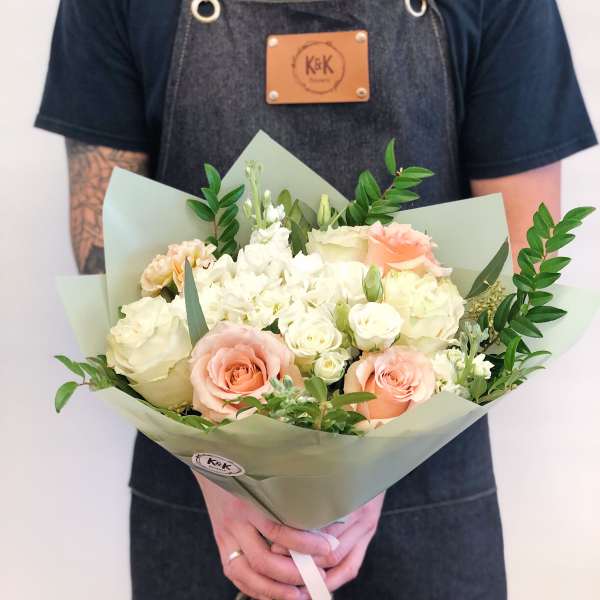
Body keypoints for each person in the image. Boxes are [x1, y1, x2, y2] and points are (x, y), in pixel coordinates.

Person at [36, 1, 596, 598]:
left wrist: (380, 457)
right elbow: (105, 248)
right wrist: (219, 469)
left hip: (426, 488)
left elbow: (520, 254)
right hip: (203, 498)